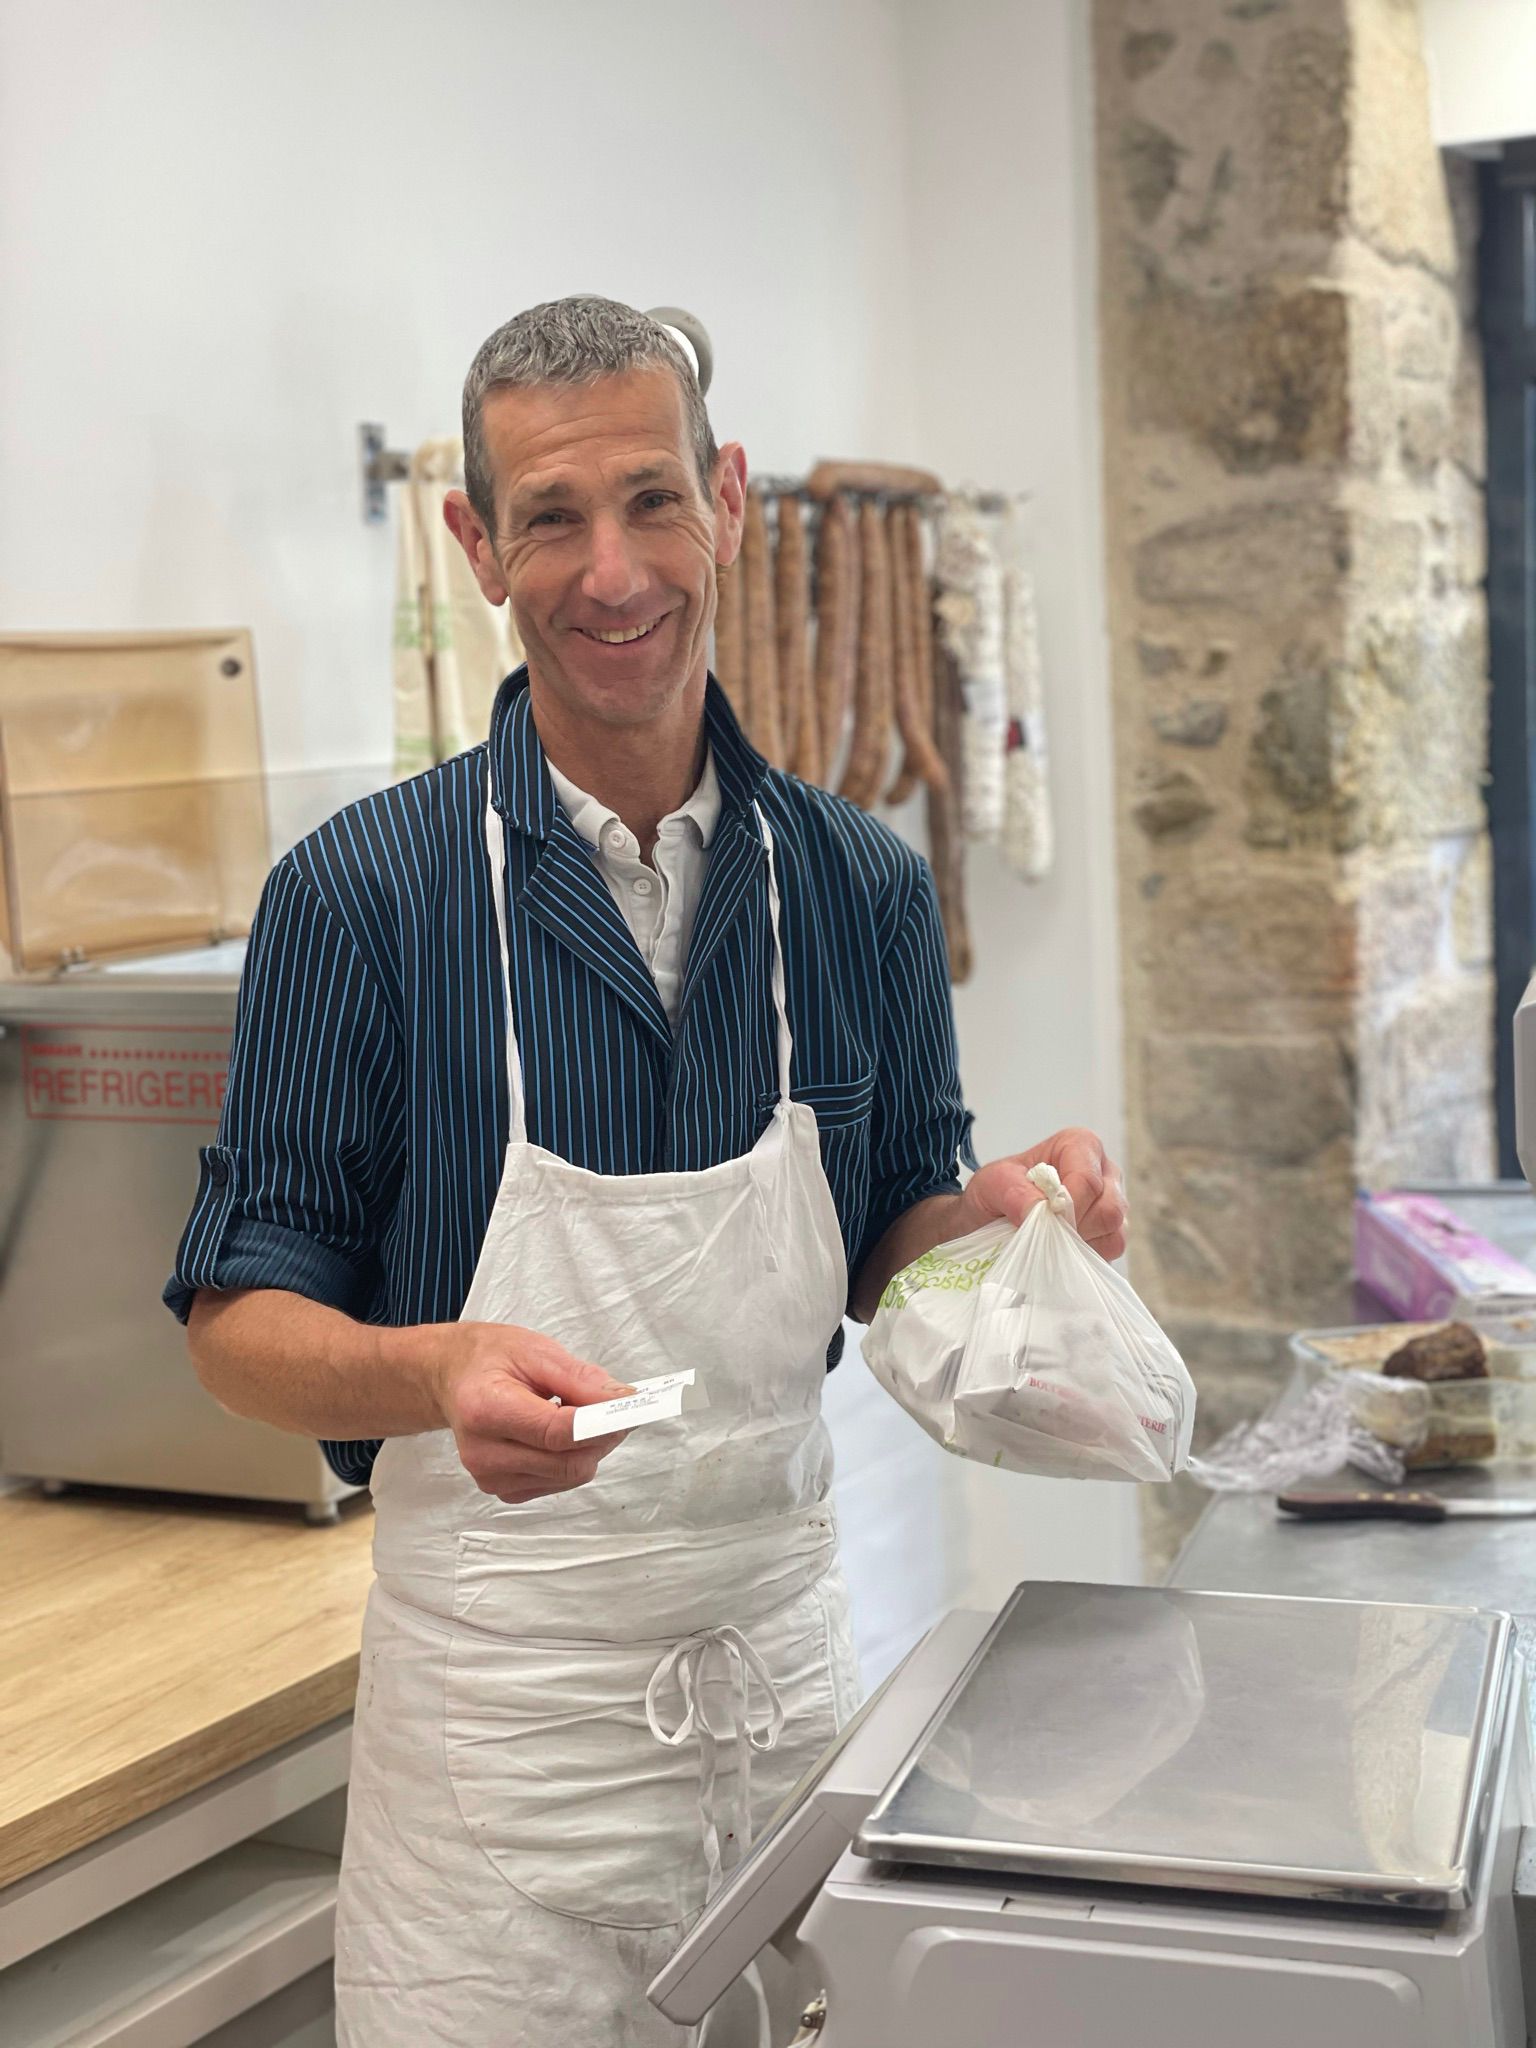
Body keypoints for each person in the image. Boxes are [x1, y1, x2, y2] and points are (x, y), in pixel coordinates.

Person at [167, 295, 1128, 2047]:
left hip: (782, 1717)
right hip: (495, 1768)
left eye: (651, 500)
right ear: (477, 544)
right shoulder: (362, 900)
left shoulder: (859, 886)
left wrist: (998, 1232)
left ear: (730, 499)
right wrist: (430, 1367)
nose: (612, 572)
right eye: (551, 517)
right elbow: (235, 1320)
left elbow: (894, 1231)